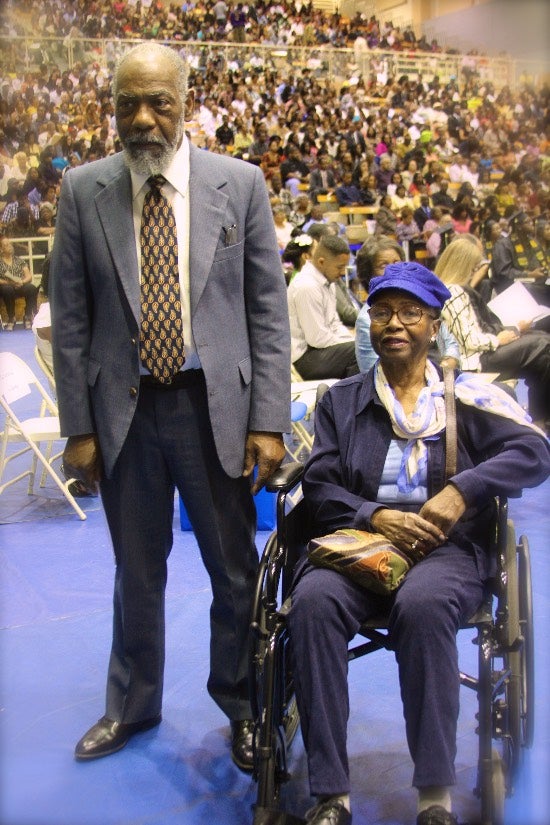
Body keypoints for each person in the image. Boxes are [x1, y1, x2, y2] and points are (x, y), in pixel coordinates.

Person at [50, 43, 290, 770]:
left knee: (233, 571)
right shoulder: (83, 190)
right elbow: (72, 320)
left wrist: (269, 419)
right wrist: (79, 428)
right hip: (124, 415)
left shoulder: (239, 184)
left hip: (212, 408)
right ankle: (130, 705)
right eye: (128, 103)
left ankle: (245, 707)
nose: (143, 119)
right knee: (136, 571)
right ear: (113, 105)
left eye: (159, 102)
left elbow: (266, 310)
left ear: (188, 100)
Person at [287, 261, 550, 825]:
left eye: (410, 312)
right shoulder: (342, 400)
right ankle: (331, 793)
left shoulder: (466, 394)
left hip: (446, 547)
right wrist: (374, 514)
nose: (394, 323)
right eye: (381, 312)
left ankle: (435, 793)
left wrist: (462, 490)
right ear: (369, 325)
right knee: (311, 604)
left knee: (424, 604)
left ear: (434, 325)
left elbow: (533, 453)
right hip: (357, 542)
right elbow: (320, 481)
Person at [435, 236, 550, 431]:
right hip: (476, 359)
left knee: (541, 343)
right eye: (474, 266)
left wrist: (509, 333)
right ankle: (541, 417)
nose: (477, 271)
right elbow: (469, 340)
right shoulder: (453, 292)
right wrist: (498, 339)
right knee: (544, 345)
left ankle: (540, 417)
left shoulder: (452, 289)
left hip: (481, 353)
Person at [354, 236, 460, 373]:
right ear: (369, 273)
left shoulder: (425, 305)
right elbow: (371, 373)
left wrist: (442, 372)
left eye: (397, 263)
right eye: (383, 265)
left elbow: (450, 344)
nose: (392, 270)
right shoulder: (366, 320)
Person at [288, 234, 359, 379]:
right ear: (321, 262)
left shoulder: (327, 280)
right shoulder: (307, 286)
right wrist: (353, 342)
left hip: (319, 350)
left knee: (363, 347)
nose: (342, 273)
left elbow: (334, 324)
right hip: (303, 358)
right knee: (358, 352)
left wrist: (353, 337)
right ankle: (352, 399)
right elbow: (318, 339)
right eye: (339, 267)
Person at [0, 234, 38, 330]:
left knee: (31, 288)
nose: (10, 246)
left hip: (20, 285)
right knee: (7, 289)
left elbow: (29, 276)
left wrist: (22, 282)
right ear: (1, 249)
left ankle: (28, 316)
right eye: (6, 245)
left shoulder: (19, 260)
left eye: (10, 244)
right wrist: (10, 283)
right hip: (6, 287)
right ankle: (11, 318)